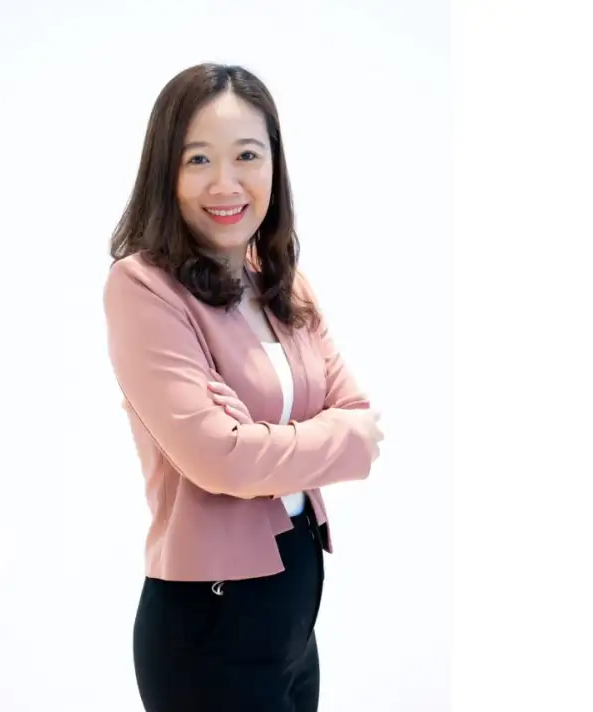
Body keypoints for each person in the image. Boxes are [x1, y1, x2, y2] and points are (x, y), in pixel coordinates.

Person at [102, 62, 384, 712]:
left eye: (247, 155)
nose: (225, 183)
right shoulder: (144, 288)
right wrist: (295, 441)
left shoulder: (280, 280)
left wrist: (256, 440)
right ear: (165, 172)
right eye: (198, 158)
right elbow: (217, 458)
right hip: (210, 624)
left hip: (295, 612)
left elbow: (363, 427)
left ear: (274, 165)